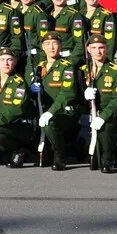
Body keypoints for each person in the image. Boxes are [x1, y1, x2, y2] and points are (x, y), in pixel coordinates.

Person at [0, 47, 36, 167]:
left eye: (10, 59)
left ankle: (20, 149)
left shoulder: (19, 83)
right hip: (6, 124)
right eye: (2, 59)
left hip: (20, 125)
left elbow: (14, 111)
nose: (6, 63)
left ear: (15, 62)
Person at [83, 33, 117, 174]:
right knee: (93, 159)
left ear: (106, 48)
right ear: (88, 50)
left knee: (105, 127)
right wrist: (84, 94)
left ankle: (109, 158)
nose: (98, 51)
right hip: (93, 113)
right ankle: (114, 146)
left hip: (114, 114)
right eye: (94, 47)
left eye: (101, 47)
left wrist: (103, 116)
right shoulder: (83, 71)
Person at [34, 32, 82, 171]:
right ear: (43, 47)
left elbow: (67, 93)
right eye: (47, 44)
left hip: (64, 111)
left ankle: (60, 156)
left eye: (55, 43)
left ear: (60, 46)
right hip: (44, 110)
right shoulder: (40, 66)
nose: (51, 47)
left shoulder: (66, 66)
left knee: (50, 124)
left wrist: (50, 112)